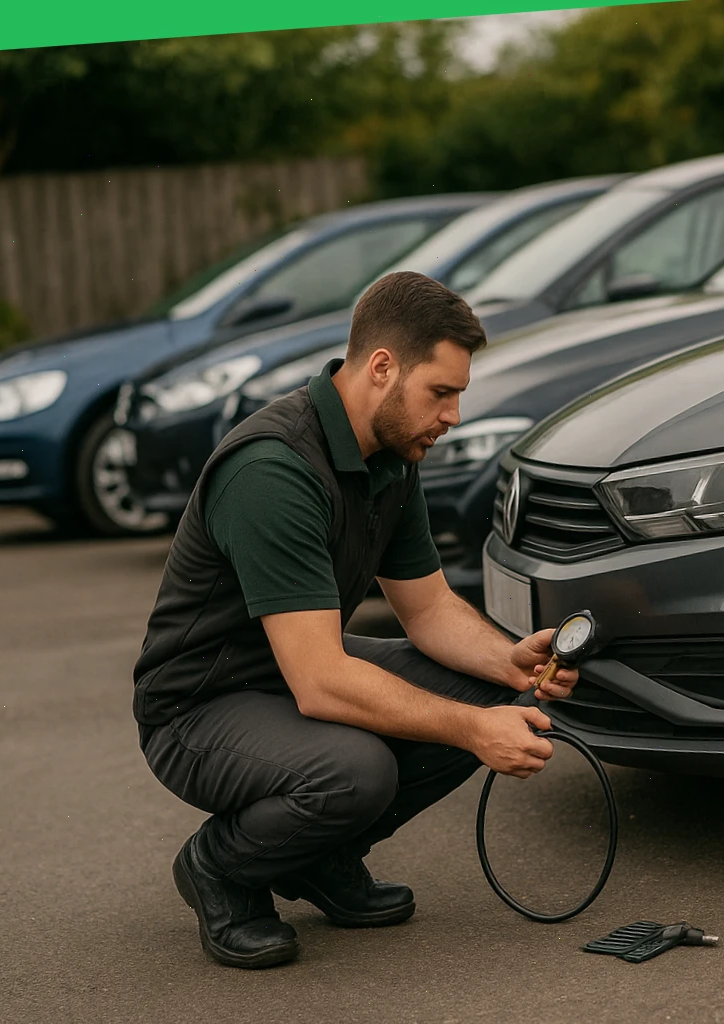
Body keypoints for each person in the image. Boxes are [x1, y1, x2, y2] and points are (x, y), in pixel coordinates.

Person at [131, 271, 578, 969]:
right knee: (356, 770)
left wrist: (509, 663)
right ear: (381, 368)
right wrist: (473, 732)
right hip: (198, 708)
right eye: (442, 392)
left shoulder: (391, 458)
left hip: (291, 676)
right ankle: (221, 867)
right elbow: (320, 683)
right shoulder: (273, 471)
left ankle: (316, 857)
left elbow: (427, 608)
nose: (453, 415)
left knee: (486, 692)